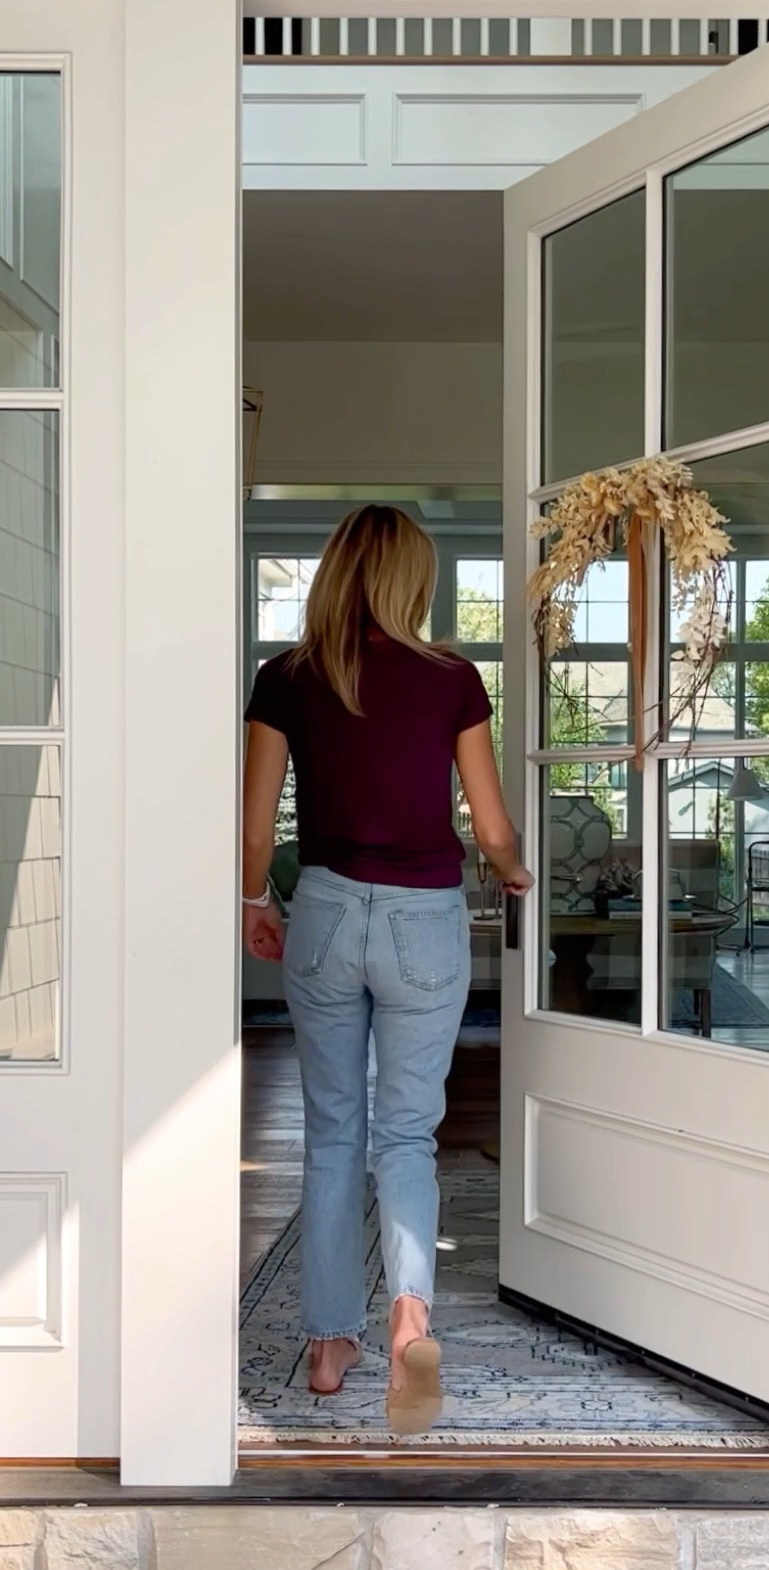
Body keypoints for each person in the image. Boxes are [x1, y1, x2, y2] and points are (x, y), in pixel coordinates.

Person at [242, 505, 532, 1434]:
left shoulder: (285, 677)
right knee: (407, 1134)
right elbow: (490, 825)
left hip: (326, 910)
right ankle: (410, 1318)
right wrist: (514, 870)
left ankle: (330, 1346)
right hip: (423, 920)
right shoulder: (452, 679)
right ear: (416, 579)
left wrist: (253, 901)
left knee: (334, 1135)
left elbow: (256, 828)